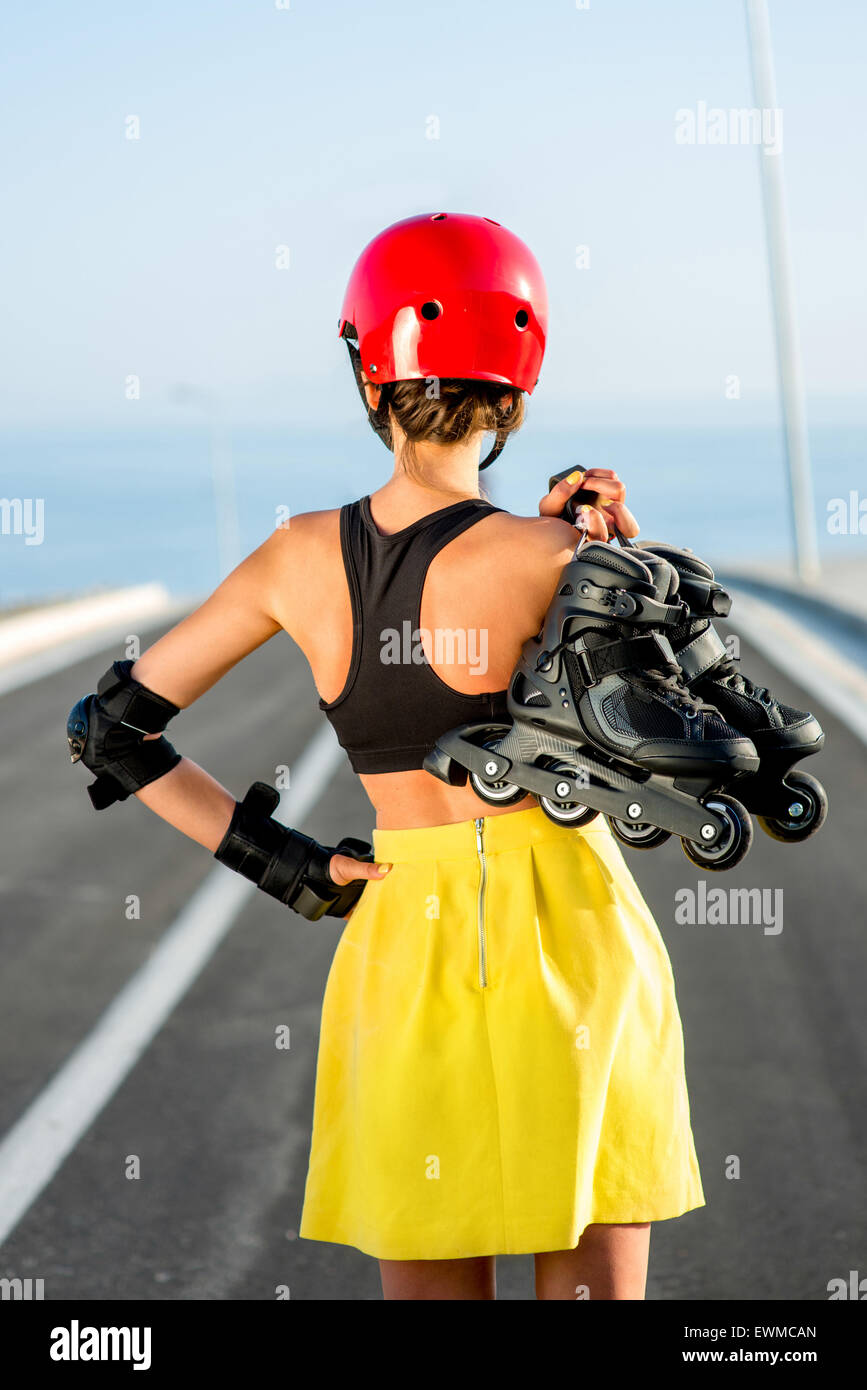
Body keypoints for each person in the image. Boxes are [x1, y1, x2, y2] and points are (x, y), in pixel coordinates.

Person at [68, 212, 704, 1301]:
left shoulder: (297, 559)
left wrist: (291, 866)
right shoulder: (563, 557)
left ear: (372, 373)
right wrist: (615, 558)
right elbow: (692, 743)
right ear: (516, 393)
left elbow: (111, 732)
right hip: (579, 938)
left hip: (407, 941)